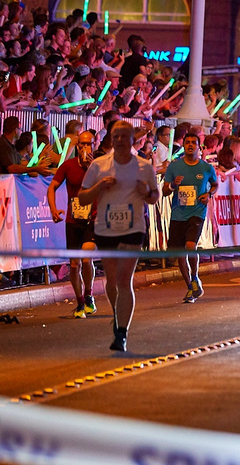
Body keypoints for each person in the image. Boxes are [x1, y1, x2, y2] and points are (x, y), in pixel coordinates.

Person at [79, 121, 160, 352]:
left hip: (133, 228)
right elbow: (82, 198)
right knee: (113, 282)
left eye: (125, 136)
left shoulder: (144, 167)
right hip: (105, 228)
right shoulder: (98, 165)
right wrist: (99, 188)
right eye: (116, 136)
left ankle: (121, 333)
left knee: (125, 280)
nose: (121, 140)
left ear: (133, 138)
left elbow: (155, 196)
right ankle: (118, 316)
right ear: (111, 139)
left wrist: (146, 193)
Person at [162, 133, 218, 303]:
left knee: (190, 245)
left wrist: (208, 194)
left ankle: (195, 276)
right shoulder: (174, 167)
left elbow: (215, 185)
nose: (190, 145)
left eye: (194, 142)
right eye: (187, 142)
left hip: (197, 211)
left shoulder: (206, 168)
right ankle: (190, 286)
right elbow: (164, 191)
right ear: (184, 146)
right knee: (180, 253)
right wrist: (173, 185)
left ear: (199, 147)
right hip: (178, 213)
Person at [47, 131, 97, 318]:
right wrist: (53, 208)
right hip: (73, 220)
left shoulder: (99, 165)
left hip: (92, 219)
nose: (85, 148)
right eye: (82, 145)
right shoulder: (68, 166)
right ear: (77, 147)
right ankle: (80, 302)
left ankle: (89, 293)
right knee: (74, 265)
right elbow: (52, 187)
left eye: (88, 144)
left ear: (94, 145)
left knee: (86, 259)